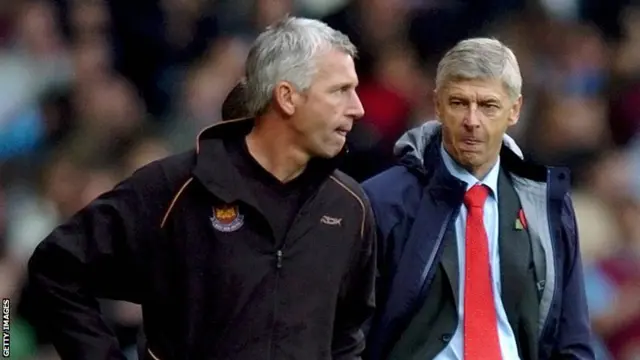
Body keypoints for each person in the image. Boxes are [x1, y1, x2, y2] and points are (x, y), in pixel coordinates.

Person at [23, 16, 376, 360]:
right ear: (287, 97)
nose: (357, 108)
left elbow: (346, 337)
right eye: (340, 91)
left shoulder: (349, 207)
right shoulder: (175, 188)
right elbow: (57, 266)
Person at [361, 38, 594, 360]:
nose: (472, 120)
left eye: (488, 106)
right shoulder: (381, 201)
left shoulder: (545, 203)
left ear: (514, 110)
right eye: (459, 103)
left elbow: (573, 338)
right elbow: (351, 334)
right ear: (438, 105)